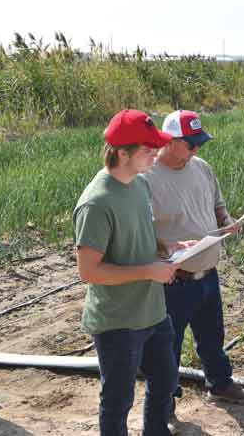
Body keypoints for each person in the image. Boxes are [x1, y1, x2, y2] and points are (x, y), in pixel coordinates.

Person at [74, 109, 192, 436]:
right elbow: (89, 271)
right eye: (148, 149)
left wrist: (166, 246)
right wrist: (148, 272)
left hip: (152, 311)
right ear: (122, 153)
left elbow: (140, 235)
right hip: (118, 321)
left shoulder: (139, 185)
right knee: (117, 400)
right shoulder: (96, 204)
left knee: (166, 379)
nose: (156, 154)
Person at [144, 110, 244, 430]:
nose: (197, 150)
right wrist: (167, 248)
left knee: (211, 337)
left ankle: (219, 383)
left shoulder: (202, 168)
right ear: (171, 141)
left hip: (208, 272)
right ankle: (165, 405)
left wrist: (227, 220)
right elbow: (141, 232)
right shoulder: (147, 178)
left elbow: (217, 204)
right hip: (173, 281)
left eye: (199, 143)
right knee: (168, 347)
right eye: (191, 144)